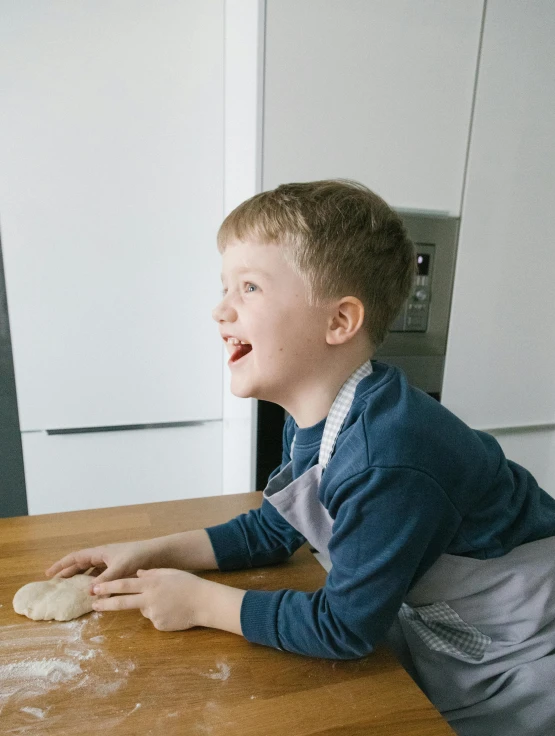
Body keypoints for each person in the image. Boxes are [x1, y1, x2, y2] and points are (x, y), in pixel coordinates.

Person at [46, 180, 555, 736]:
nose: (219, 310)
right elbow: (273, 529)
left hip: (522, 651)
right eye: (225, 287)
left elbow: (344, 629)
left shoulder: (387, 457)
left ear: (339, 322)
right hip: (446, 624)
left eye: (249, 288)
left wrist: (202, 605)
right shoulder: (323, 412)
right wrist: (150, 550)